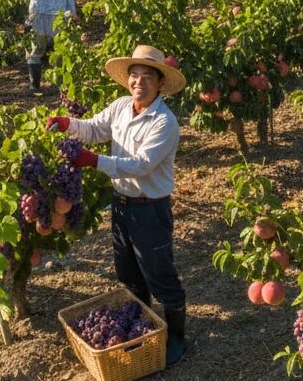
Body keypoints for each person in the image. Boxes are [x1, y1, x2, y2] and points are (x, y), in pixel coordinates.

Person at [46, 45, 188, 366]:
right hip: (121, 205)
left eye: (147, 76)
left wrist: (93, 161)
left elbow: (140, 164)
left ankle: (177, 337)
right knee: (128, 273)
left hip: (150, 208)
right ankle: (145, 330)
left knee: (159, 275)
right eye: (134, 75)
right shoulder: (123, 106)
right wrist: (68, 123)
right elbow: (95, 128)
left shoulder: (165, 123)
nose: (139, 81)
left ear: (160, 83)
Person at [25, 0, 77, 95]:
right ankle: (61, 86)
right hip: (60, 19)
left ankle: (34, 87)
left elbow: (34, 4)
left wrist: (29, 21)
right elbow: (70, 1)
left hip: (41, 19)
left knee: (35, 53)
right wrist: (72, 15)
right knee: (60, 51)